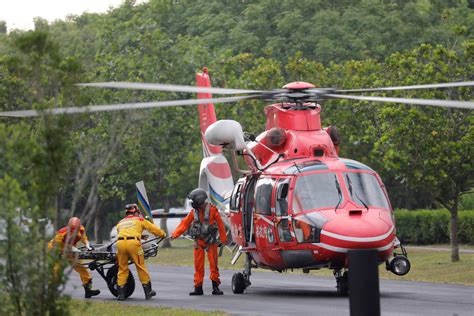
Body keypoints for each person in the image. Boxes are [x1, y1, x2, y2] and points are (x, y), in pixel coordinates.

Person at [172, 188, 227, 296]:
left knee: (213, 265)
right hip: (199, 242)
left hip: (211, 242)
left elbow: (221, 225)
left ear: (199, 200)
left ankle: (215, 287)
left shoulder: (212, 210)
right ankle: (198, 288)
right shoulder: (194, 212)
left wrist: (223, 239)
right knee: (198, 266)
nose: (192, 203)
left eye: (194, 201)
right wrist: (175, 234)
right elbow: (184, 223)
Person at [115, 203, 166, 301]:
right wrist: (162, 234)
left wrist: (140, 236)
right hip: (133, 244)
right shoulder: (140, 220)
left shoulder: (120, 222)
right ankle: (148, 292)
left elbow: (124, 233)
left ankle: (121, 294)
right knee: (140, 267)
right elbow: (153, 229)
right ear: (136, 212)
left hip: (120, 243)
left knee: (122, 268)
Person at [48, 217, 100, 298]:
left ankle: (88, 291)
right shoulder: (62, 233)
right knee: (56, 270)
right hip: (57, 249)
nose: (73, 233)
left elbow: (84, 239)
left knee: (82, 268)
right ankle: (51, 291)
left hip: (70, 251)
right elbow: (55, 245)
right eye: (72, 231)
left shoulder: (81, 229)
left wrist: (88, 246)